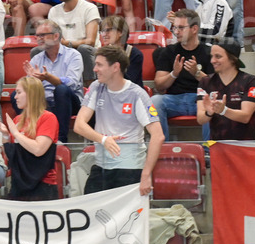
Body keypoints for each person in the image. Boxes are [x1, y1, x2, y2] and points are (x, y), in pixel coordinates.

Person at [74, 46, 164, 195]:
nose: (95, 69)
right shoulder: (96, 87)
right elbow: (79, 125)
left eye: (100, 65)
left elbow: (158, 135)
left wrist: (146, 175)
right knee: (91, 210)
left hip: (130, 168)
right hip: (101, 165)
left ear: (115, 67)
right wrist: (103, 140)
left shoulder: (136, 94)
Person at [151, 9, 215, 139]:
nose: (176, 32)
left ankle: (209, 152)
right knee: (154, 101)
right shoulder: (168, 52)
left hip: (200, 99)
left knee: (213, 103)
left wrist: (197, 73)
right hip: (174, 100)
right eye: (175, 28)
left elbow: (217, 86)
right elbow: (159, 86)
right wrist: (174, 74)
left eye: (181, 28)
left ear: (194, 29)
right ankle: (163, 148)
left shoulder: (209, 52)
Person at [0, 76, 59, 201]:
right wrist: (5, 135)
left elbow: (38, 149)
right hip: (19, 183)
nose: (15, 97)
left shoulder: (48, 118)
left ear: (31, 94)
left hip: (43, 184)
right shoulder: (17, 120)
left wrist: (16, 133)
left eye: (19, 92)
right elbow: (11, 157)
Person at [24, 19, 83, 142]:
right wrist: (32, 82)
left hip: (70, 102)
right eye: (37, 35)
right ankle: (27, 136)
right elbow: (29, 88)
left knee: (61, 90)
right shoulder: (36, 59)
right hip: (45, 102)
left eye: (42, 35)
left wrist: (48, 77)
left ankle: (61, 140)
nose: (38, 38)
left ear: (56, 36)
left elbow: (71, 84)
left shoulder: (73, 55)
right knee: (19, 95)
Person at [196, 40, 255, 141]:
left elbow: (245, 117)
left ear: (232, 59)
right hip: (218, 146)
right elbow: (200, 119)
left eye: (218, 56)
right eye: (212, 56)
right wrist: (209, 113)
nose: (212, 61)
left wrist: (223, 111)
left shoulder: (250, 81)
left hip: (246, 146)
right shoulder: (206, 82)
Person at [47, 0, 101, 84]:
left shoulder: (89, 8)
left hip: (87, 52)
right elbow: (54, 39)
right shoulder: (54, 11)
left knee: (83, 49)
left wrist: (68, 43)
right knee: (38, 50)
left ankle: (90, 87)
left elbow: (90, 41)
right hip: (63, 53)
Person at [99, 14, 144, 87]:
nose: (104, 34)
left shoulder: (135, 54)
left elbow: (130, 82)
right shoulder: (102, 53)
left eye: (108, 30)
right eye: (102, 31)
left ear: (121, 32)